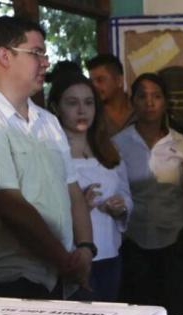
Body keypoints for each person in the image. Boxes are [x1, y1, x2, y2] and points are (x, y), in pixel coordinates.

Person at [0, 16, 94, 299]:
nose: (45, 62)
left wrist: (85, 248)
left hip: (58, 273)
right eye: (37, 53)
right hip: (12, 278)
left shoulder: (48, 121)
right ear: (4, 56)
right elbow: (10, 205)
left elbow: (72, 190)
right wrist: (64, 260)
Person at [113, 73, 183, 315]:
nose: (149, 103)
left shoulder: (181, 143)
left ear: (165, 102)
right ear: (132, 102)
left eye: (156, 96)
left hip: (175, 244)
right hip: (133, 245)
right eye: (142, 97)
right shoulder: (118, 143)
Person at [48, 69, 131, 302]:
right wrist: (78, 206)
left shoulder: (108, 148)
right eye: (72, 103)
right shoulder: (51, 151)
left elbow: (126, 193)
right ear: (56, 107)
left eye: (88, 103)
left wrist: (121, 207)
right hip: (73, 256)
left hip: (110, 253)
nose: (82, 110)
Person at [87, 53, 134, 137]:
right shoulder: (91, 115)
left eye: (100, 80)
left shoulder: (139, 109)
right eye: (91, 82)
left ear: (119, 80)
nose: (94, 86)